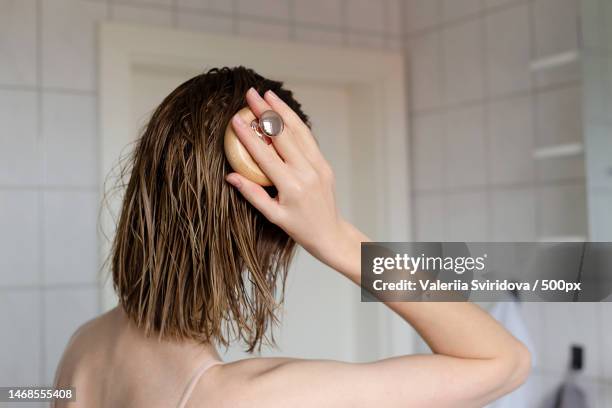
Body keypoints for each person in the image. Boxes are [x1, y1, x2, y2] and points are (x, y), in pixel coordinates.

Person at [53, 67, 530, 407]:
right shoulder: (248, 398)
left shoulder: (86, 348)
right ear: (274, 228)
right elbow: (503, 361)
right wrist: (337, 238)